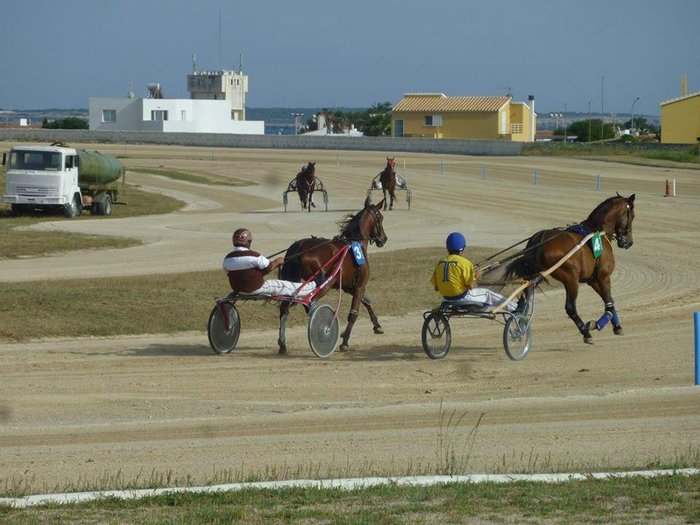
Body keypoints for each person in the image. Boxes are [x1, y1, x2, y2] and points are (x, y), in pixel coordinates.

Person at [430, 232, 518, 312]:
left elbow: (436, 288)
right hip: (463, 298)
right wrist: (476, 276)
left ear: (447, 247)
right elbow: (471, 286)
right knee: (488, 294)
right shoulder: (464, 263)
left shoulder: (439, 263)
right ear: (463, 247)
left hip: (446, 300)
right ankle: (515, 308)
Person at [223, 228, 318, 297]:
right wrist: (278, 261)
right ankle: (313, 286)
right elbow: (269, 267)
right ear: (248, 242)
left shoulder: (227, 259)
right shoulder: (253, 256)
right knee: (285, 285)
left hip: (238, 290)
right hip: (256, 288)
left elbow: (233, 273)